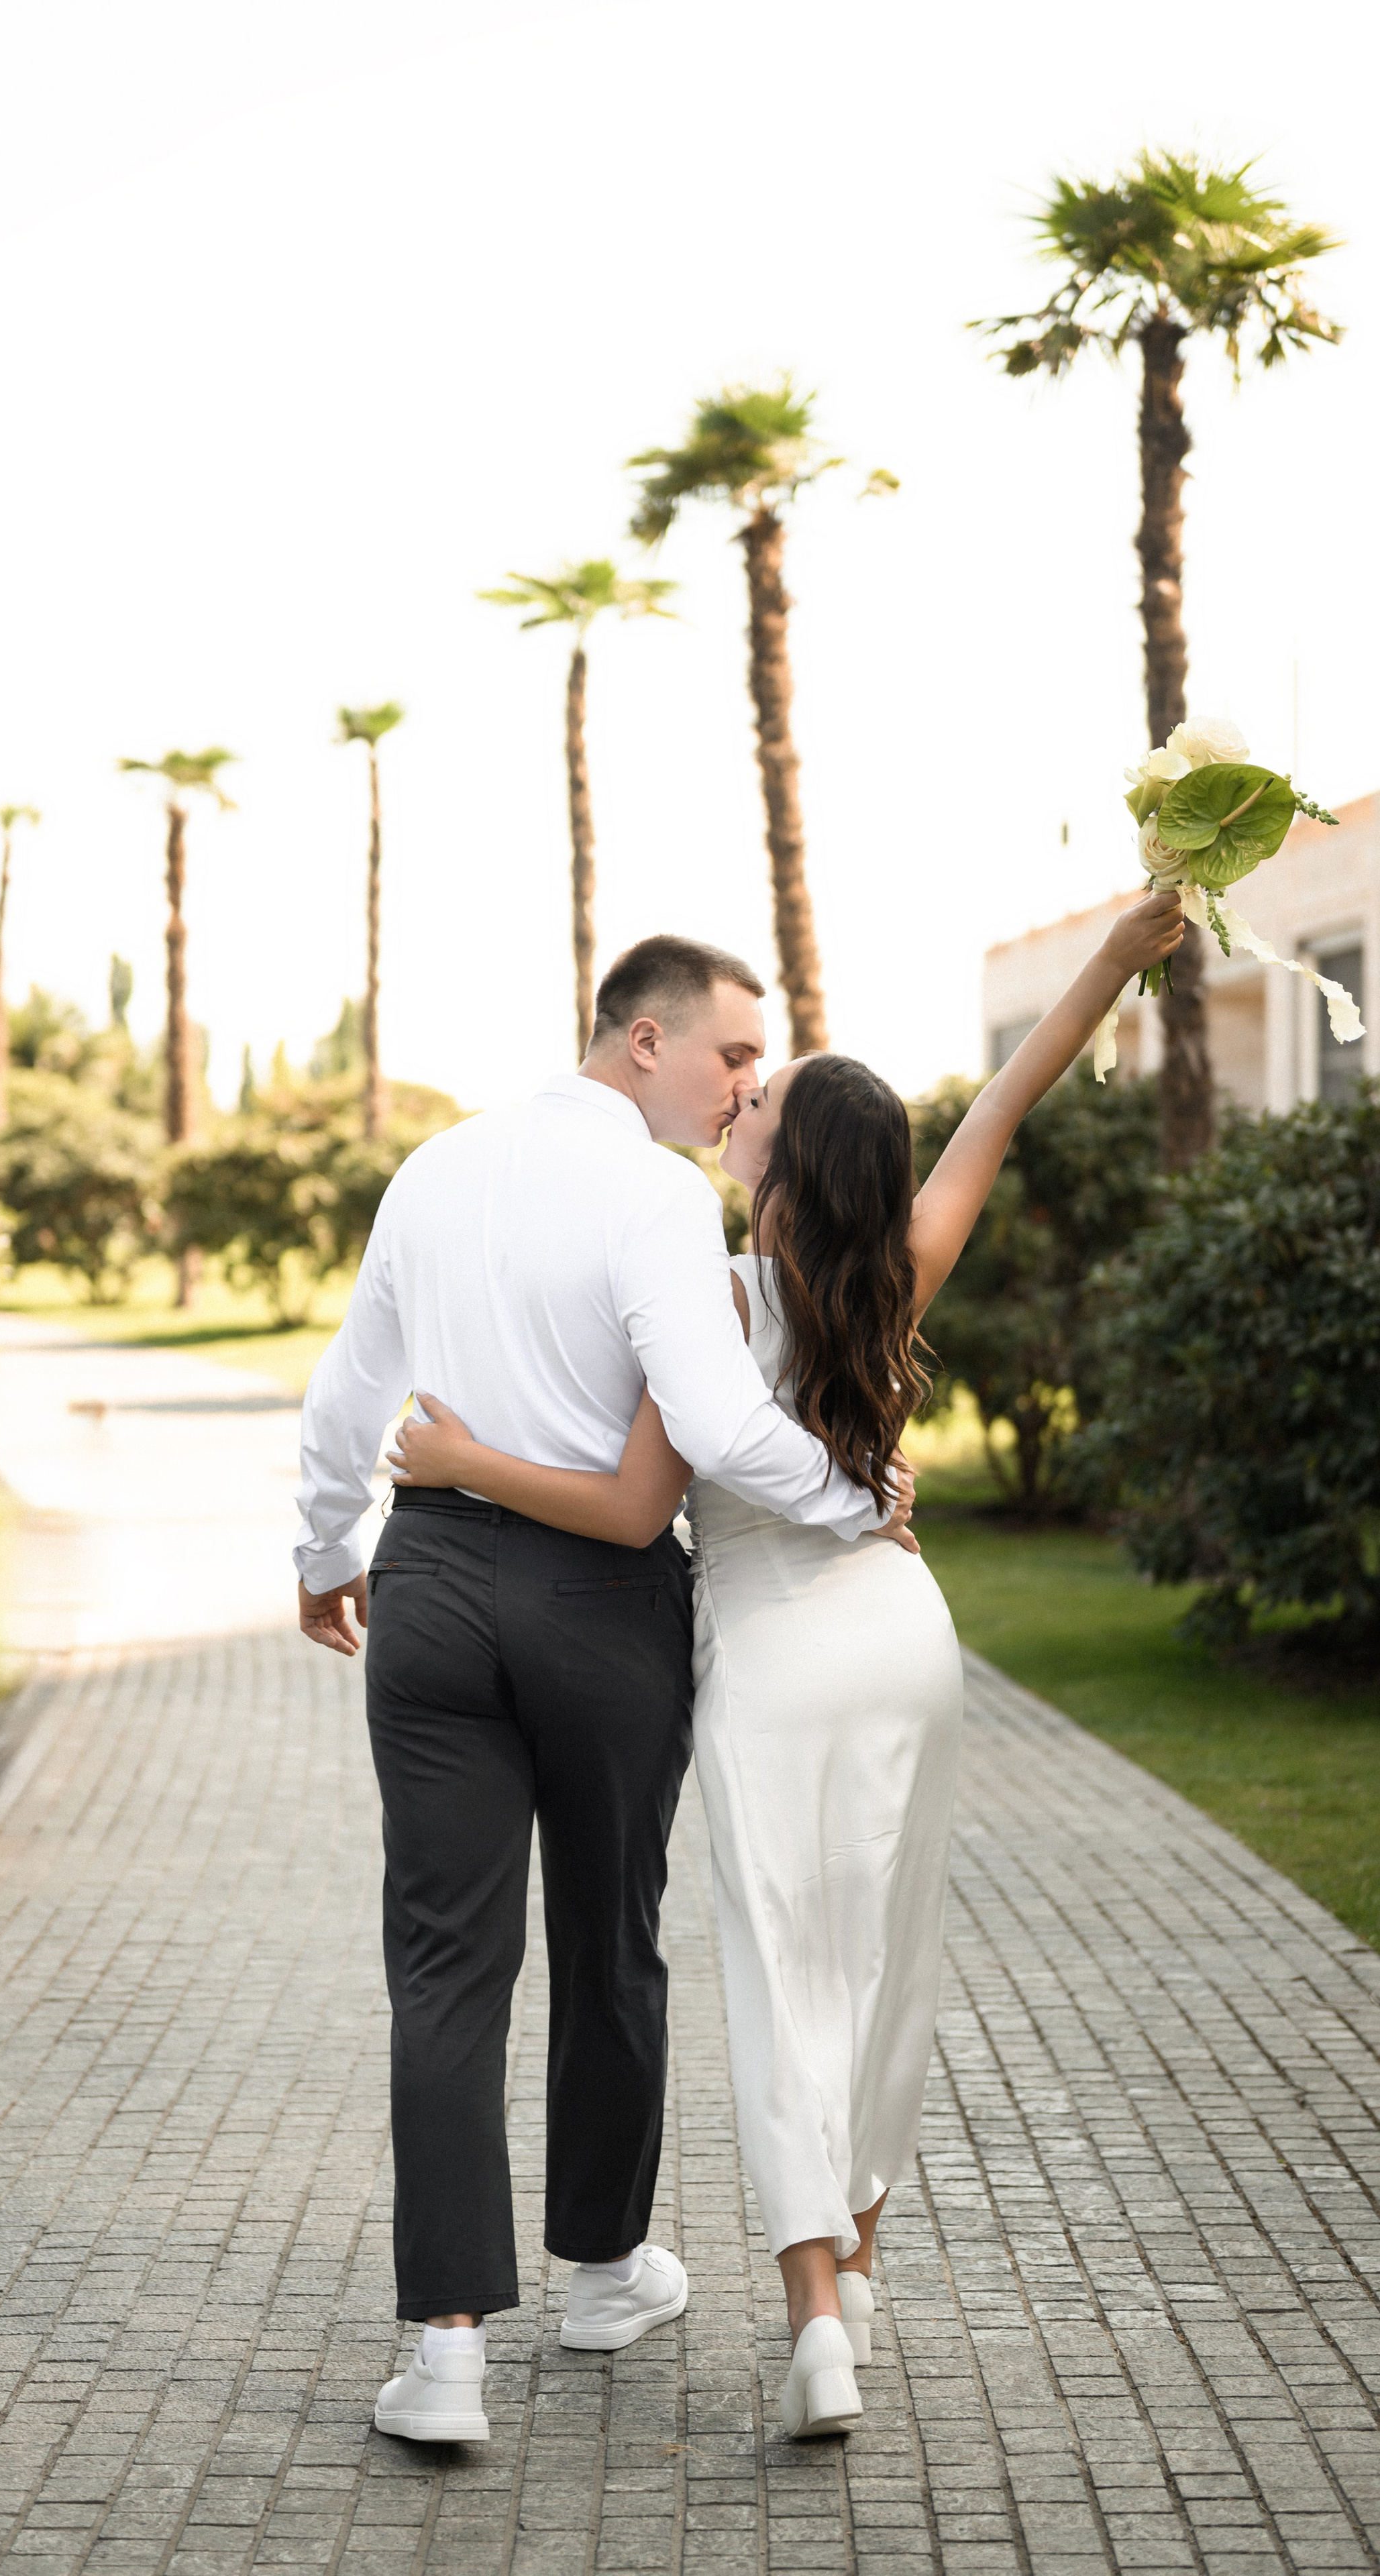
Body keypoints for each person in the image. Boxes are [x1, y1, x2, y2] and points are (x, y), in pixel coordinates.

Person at [385, 886, 1184, 2440]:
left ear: (763, 1163)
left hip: (765, 1655)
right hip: (906, 1641)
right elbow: (1008, 1096)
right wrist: (1116, 952)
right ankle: (856, 2285)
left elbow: (629, 1509)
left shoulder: (714, 1299)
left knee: (780, 1976)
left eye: (756, 1098)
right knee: (880, 1966)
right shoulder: (902, 1267)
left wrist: (462, 1463)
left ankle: (814, 2314)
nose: (733, 1098)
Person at [293, 934, 917, 2446]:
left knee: (444, 1967)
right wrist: (857, 1497)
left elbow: (346, 1388)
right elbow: (709, 1420)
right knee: (605, 1942)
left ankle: (442, 2365)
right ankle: (595, 2276)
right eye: (728, 1059)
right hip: (600, 1609)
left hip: (431, 1582)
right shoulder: (655, 1196)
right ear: (644, 1041)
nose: (741, 1089)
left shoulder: (431, 1170)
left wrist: (323, 1550)